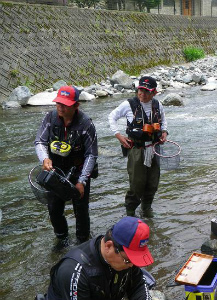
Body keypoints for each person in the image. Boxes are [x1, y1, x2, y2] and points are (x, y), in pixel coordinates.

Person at [34, 86, 98, 249]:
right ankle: (62, 239)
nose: (60, 107)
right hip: (54, 170)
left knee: (81, 210)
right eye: (58, 103)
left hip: (79, 171)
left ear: (76, 105)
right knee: (54, 208)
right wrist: (45, 158)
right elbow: (40, 142)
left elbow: (91, 155)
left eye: (65, 104)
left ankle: (83, 243)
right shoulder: (50, 118)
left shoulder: (86, 124)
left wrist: (82, 181)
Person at [44, 216, 154, 300]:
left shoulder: (124, 259)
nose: (131, 265)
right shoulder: (74, 272)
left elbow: (138, 285)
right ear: (109, 246)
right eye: (128, 260)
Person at [108, 76, 168, 218]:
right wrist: (119, 136)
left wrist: (164, 132)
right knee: (136, 184)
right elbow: (112, 117)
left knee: (153, 182)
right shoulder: (129, 104)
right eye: (140, 90)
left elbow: (164, 121)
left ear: (154, 92)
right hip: (137, 150)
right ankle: (130, 213)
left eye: (147, 91)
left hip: (154, 148)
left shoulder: (158, 105)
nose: (142, 94)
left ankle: (146, 210)